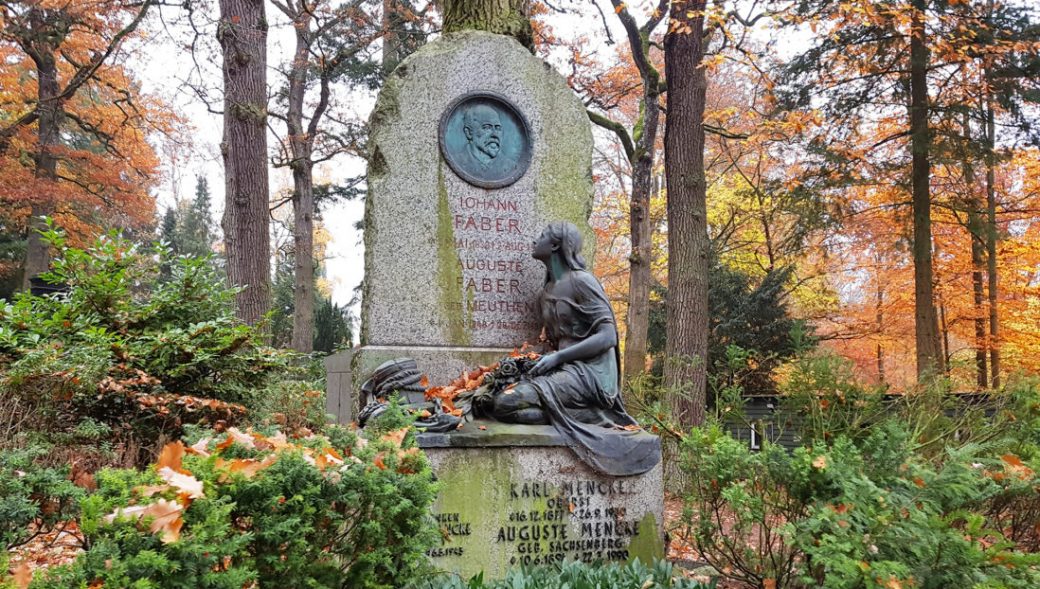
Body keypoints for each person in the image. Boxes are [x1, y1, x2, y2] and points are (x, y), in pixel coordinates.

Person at [489, 221, 660, 476]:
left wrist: (559, 357)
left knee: (505, 404)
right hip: (565, 369)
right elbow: (557, 341)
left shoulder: (582, 281)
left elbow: (608, 336)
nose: (535, 240)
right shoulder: (546, 292)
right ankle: (579, 414)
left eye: (543, 235)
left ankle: (589, 415)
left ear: (556, 245)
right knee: (492, 396)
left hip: (590, 374)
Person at [455, 103, 516, 180]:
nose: (494, 134)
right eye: (487, 127)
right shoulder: (458, 161)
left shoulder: (510, 166)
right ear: (469, 133)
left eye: (498, 128)